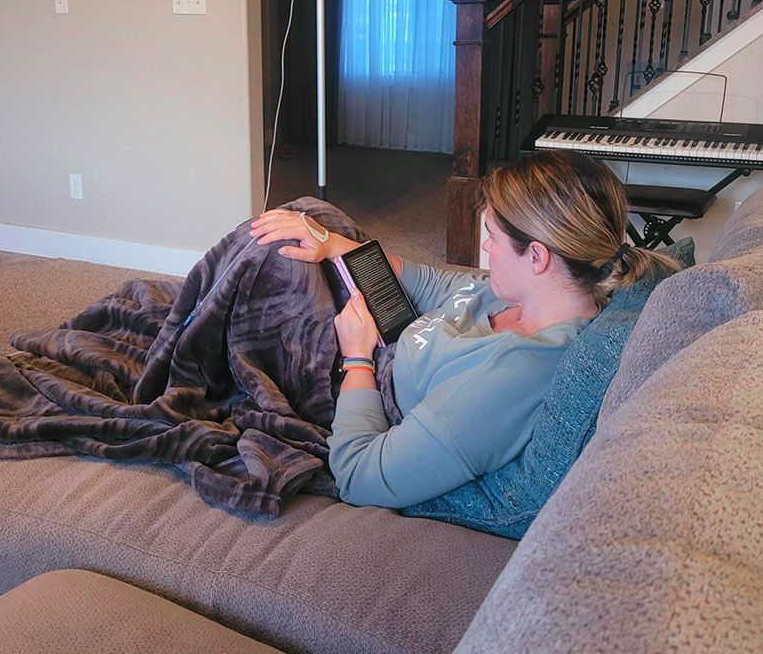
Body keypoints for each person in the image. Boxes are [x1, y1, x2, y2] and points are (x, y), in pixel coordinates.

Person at [250, 150, 680, 509]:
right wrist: (337, 246)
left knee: (264, 263)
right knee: (311, 217)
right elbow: (439, 285)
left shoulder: (511, 377)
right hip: (379, 333)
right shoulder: (521, 295)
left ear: (537, 257)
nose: (486, 247)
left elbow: (363, 477)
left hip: (355, 376)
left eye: (491, 236)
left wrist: (357, 358)